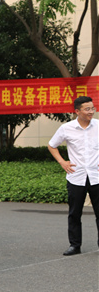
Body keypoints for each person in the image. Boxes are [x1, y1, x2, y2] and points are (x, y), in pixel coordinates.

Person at [48, 96, 99, 256]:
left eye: (92, 108)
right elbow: (52, 145)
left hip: (97, 177)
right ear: (77, 111)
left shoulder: (98, 126)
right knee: (74, 213)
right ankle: (74, 245)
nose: (91, 112)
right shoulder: (66, 128)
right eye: (87, 109)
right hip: (76, 176)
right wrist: (62, 162)